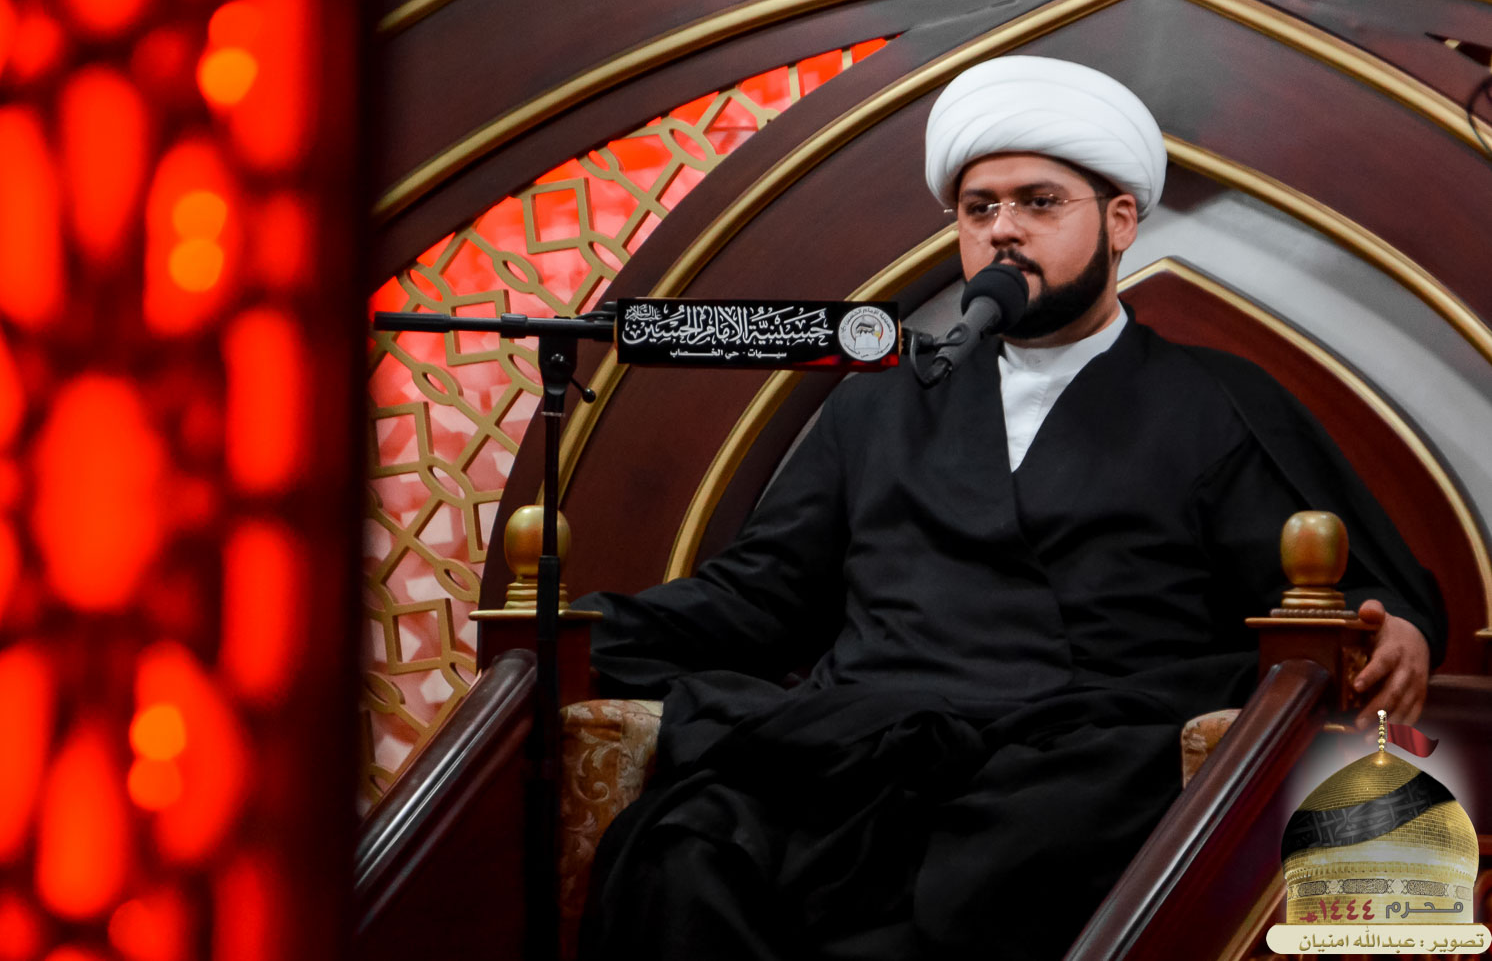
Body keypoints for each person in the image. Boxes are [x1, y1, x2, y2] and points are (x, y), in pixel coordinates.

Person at [574, 55, 1443, 961]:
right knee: (684, 845)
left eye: (1039, 202)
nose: (1004, 231)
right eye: (979, 209)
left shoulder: (1214, 403)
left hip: (1078, 753)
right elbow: (762, 593)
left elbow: (1339, 598)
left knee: (1000, 873)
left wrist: (1397, 628)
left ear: (1119, 222)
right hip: (869, 743)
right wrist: (577, 629)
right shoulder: (883, 401)